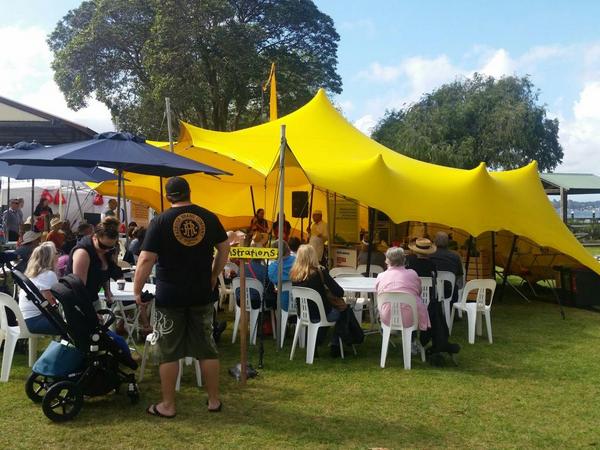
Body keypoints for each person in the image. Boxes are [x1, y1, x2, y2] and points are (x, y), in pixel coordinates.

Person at [134, 176, 229, 417]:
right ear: (189, 193)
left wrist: (137, 289)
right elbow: (225, 247)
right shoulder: (208, 217)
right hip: (201, 291)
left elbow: (146, 259)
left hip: (170, 294)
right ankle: (214, 400)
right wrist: (214, 274)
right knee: (206, 348)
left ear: (168, 196)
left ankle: (168, 405)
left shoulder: (160, 221)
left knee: (169, 350)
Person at [290, 244, 345, 357]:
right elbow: (339, 292)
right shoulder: (320, 272)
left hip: (303, 314)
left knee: (333, 312)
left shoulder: (294, 275)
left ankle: (317, 341)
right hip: (322, 313)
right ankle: (335, 344)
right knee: (344, 311)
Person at [68, 217, 122, 306]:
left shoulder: (105, 251)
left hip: (93, 298)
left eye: (111, 247)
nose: (107, 250)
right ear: (95, 237)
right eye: (103, 246)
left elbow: (105, 272)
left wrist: (107, 290)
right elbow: (78, 289)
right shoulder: (82, 253)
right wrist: (89, 312)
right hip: (77, 303)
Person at [375, 247, 430, 330]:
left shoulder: (381, 276)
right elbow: (419, 292)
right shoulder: (412, 273)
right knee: (415, 302)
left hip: (387, 317)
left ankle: (387, 336)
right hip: (411, 318)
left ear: (387, 260)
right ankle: (412, 340)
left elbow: (378, 292)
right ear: (404, 259)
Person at [18, 242, 61, 335]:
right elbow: (51, 304)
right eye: (57, 253)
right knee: (75, 327)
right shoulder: (48, 274)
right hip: (35, 321)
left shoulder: (33, 274)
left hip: (25, 319)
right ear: (50, 257)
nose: (59, 256)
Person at [429, 231, 464, 302]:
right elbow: (459, 276)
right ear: (448, 242)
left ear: (435, 241)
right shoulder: (455, 257)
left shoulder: (429, 255)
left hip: (432, 291)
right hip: (450, 292)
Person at [267, 240, 296, 311]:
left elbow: (272, 281)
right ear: (288, 249)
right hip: (301, 303)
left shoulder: (272, 268)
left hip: (283, 304)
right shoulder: (298, 262)